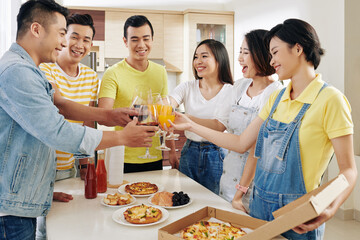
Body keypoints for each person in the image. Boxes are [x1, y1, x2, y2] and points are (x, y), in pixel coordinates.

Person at [171, 19, 357, 239]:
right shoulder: (277, 98)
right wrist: (191, 125)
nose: (272, 61)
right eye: (270, 54)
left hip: (298, 214)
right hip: (258, 206)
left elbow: (348, 171)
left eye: (275, 52)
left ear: (298, 48)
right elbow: (242, 144)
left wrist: (330, 208)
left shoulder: (331, 100)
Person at [0, 1, 157, 239]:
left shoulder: (26, 69)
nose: (64, 42)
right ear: (36, 29)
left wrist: (110, 115)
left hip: (21, 197)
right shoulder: (18, 72)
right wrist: (121, 137)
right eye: (62, 34)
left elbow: (61, 105)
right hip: (11, 208)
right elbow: (57, 130)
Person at [36, 13, 99, 240]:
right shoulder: (45, 69)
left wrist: (85, 165)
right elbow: (62, 108)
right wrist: (112, 117)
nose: (80, 45)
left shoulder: (91, 78)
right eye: (74, 37)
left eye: (86, 40)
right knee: (46, 230)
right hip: (44, 168)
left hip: (70, 167)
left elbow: (87, 122)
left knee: (74, 225)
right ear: (63, 37)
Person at [98, 15, 177, 173]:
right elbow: (103, 116)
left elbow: (164, 114)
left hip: (153, 155)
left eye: (146, 38)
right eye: (134, 39)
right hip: (121, 155)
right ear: (125, 41)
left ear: (152, 40)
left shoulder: (160, 72)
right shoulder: (112, 73)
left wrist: (172, 151)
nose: (141, 45)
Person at [218, 30, 282, 211]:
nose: (239, 58)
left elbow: (256, 151)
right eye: (240, 52)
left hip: (249, 189)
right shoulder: (240, 85)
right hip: (227, 176)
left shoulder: (275, 93)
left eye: (245, 53)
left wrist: (239, 194)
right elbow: (222, 126)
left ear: (262, 54)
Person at [168, 39, 234, 194]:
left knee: (215, 201)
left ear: (219, 59)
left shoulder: (230, 90)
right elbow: (169, 102)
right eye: (196, 57)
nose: (198, 61)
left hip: (216, 154)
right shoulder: (187, 87)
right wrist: (161, 105)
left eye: (204, 56)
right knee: (187, 199)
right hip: (189, 151)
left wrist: (186, 118)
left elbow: (219, 125)